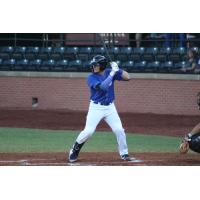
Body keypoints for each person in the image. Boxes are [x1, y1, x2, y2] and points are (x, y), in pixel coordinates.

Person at [68, 55, 132, 162]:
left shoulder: (109, 71)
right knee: (88, 131)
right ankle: (74, 150)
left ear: (102, 65)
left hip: (110, 107)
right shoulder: (91, 77)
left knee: (119, 130)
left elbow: (128, 77)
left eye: (96, 65)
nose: (93, 67)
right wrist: (112, 73)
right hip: (96, 107)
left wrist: (117, 69)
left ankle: (124, 153)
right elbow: (103, 87)